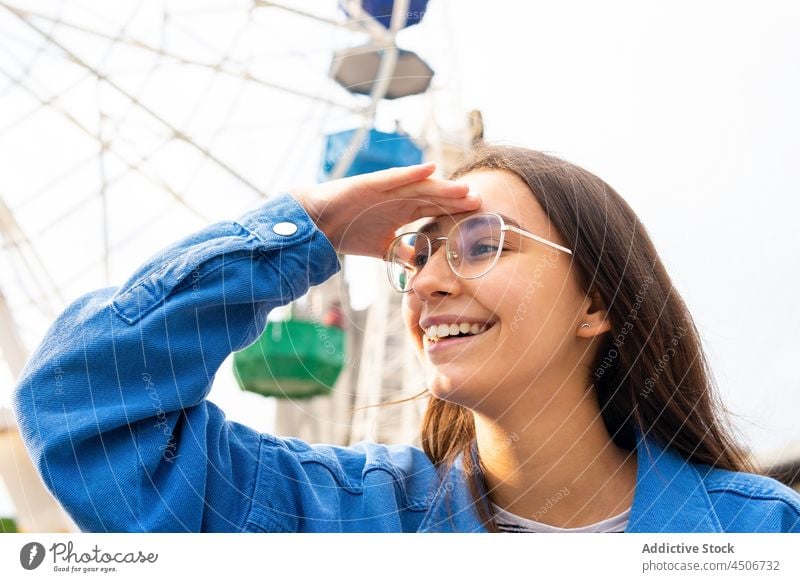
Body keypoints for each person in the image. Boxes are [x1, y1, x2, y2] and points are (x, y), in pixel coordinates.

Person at [13, 145, 800, 533]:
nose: (424, 282)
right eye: (415, 253)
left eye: (483, 243)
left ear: (595, 301)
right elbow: (82, 400)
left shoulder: (763, 531)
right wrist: (307, 231)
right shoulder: (334, 520)